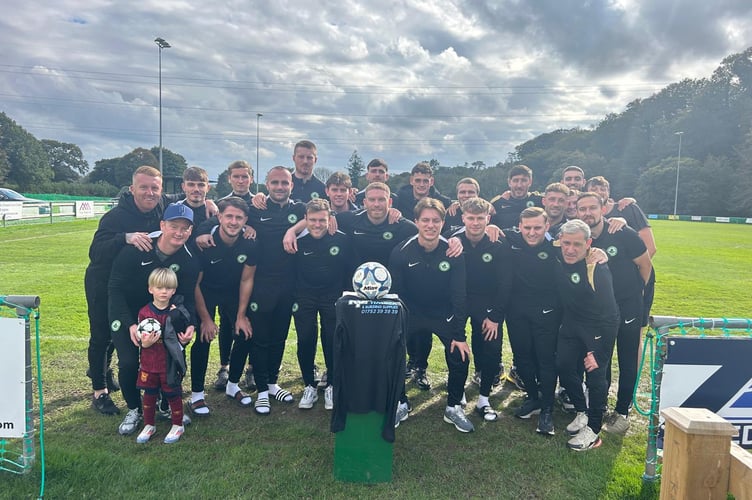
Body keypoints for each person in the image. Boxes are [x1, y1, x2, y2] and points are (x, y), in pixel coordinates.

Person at [85, 165, 170, 415]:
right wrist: (125, 237)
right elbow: (95, 253)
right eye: (143, 187)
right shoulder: (114, 217)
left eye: (155, 188)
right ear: (132, 189)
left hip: (135, 286)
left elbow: (190, 200)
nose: (149, 193)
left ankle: (113, 373)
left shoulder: (161, 210)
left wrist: (209, 205)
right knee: (102, 334)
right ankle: (99, 390)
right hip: (103, 284)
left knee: (126, 333)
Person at [108, 203, 199, 435]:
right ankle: (134, 409)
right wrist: (130, 324)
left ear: (191, 231)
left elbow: (188, 298)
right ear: (162, 225)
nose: (179, 233)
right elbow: (115, 288)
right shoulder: (137, 249)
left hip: (164, 316)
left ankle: (166, 404)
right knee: (129, 362)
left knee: (171, 362)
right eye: (174, 226)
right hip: (127, 313)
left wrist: (191, 324)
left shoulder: (189, 259)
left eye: (185, 228)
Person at [389, 198, 472, 432]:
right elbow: (396, 294)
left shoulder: (453, 251)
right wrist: (398, 328)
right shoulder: (401, 251)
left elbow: (459, 295)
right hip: (412, 312)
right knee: (393, 350)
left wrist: (459, 334)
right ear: (416, 222)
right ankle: (400, 402)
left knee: (460, 353)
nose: (430, 225)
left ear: (443, 223)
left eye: (436, 220)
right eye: (425, 220)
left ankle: (454, 407)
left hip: (442, 313)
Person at [576, 192, 652, 435]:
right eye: (582, 209)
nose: (587, 213)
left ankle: (622, 412)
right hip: (600, 309)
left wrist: (633, 293)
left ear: (602, 209)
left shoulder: (623, 233)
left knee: (627, 358)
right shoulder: (581, 238)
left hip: (628, 306)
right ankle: (600, 405)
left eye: (592, 208)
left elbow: (645, 265)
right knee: (602, 357)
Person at [245, 166, 306, 414]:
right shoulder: (254, 209)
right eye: (275, 183)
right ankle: (260, 390)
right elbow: (223, 215)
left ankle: (271, 383)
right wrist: (245, 228)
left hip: (288, 285)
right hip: (260, 285)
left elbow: (323, 212)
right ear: (266, 185)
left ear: (291, 185)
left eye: (285, 183)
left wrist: (293, 229)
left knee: (279, 337)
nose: (280, 187)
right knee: (260, 339)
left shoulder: (299, 209)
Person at [555, 219, 619, 451]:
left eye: (577, 245)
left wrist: (600, 353)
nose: (570, 250)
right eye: (566, 244)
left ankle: (593, 430)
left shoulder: (597, 268)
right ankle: (582, 411)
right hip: (571, 325)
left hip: (596, 330)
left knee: (595, 377)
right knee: (563, 366)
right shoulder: (558, 255)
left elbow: (612, 315)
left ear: (588, 244)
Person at [190, 197, 258, 415]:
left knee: (245, 332)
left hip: (231, 293)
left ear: (245, 220)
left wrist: (240, 315)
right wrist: (206, 320)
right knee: (204, 337)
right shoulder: (203, 243)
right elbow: (195, 284)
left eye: (239, 217)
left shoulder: (250, 243)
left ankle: (233, 385)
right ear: (219, 217)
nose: (233, 221)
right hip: (206, 292)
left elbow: (246, 279)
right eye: (229, 216)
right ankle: (197, 394)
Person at [503, 207, 561, 435]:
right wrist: (491, 225)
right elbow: (490, 228)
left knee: (546, 360)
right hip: (516, 312)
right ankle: (533, 398)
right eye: (527, 227)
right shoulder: (511, 238)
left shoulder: (556, 246)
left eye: (538, 227)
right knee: (523, 358)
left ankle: (547, 409)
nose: (532, 232)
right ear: (519, 226)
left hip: (547, 312)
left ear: (547, 226)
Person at [452, 197, 508, 422]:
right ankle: (458, 391)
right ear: (463, 218)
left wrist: (495, 316)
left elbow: (506, 283)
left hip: (486, 301)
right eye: (471, 218)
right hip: (458, 300)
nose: (475, 223)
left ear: (488, 218)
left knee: (491, 348)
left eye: (480, 218)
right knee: (456, 343)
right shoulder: (453, 240)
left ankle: (484, 397)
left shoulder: (498, 243)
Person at [294, 199, 352, 411]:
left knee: (332, 339)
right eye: (313, 220)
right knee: (306, 338)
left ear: (330, 220)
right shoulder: (298, 241)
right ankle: (309, 384)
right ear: (306, 220)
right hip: (304, 297)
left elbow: (348, 270)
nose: (317, 224)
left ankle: (332, 386)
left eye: (322, 220)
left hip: (332, 297)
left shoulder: (342, 240)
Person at [134, 268, 192, 444]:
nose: (164, 291)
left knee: (172, 394)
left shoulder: (176, 313)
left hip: (168, 365)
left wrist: (183, 341)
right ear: (150, 289)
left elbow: (182, 337)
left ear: (174, 290)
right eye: (159, 288)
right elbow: (140, 339)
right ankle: (149, 424)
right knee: (149, 394)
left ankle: (177, 425)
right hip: (148, 363)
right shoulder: (144, 312)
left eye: (168, 288)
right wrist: (145, 343)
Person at [491, 165, 543, 230]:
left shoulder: (539, 201)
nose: (519, 185)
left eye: (524, 180)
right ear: (509, 182)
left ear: (530, 182)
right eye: (515, 180)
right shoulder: (497, 204)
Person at [178, 166, 212, 246]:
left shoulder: (217, 212)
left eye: (201, 185)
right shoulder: (174, 209)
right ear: (183, 187)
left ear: (208, 187)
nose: (196, 189)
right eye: (191, 184)